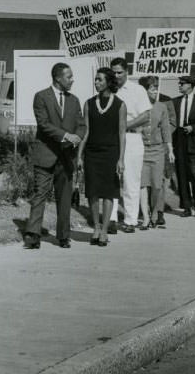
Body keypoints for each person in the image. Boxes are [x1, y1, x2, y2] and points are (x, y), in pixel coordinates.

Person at [24, 62, 86, 249]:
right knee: (40, 194)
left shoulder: (74, 100)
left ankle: (63, 236)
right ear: (58, 78)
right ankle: (33, 235)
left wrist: (77, 137)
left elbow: (81, 125)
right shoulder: (41, 97)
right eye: (69, 77)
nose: (72, 80)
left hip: (67, 156)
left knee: (65, 197)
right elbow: (43, 124)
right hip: (46, 154)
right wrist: (66, 135)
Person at [78, 68, 125, 247]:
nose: (96, 82)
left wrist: (121, 159)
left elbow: (122, 133)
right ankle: (96, 228)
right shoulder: (89, 103)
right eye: (95, 79)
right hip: (92, 153)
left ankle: (104, 230)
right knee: (93, 192)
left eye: (99, 80)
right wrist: (79, 155)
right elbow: (86, 130)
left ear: (108, 82)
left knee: (108, 193)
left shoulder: (120, 105)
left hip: (111, 153)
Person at [107, 58, 151, 233]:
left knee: (130, 180)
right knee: (111, 179)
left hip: (131, 138)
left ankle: (131, 220)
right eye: (113, 72)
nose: (116, 76)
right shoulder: (109, 90)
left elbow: (145, 115)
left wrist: (124, 125)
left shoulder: (137, 90)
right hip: (111, 139)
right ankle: (110, 219)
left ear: (127, 72)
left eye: (119, 72)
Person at [137, 76, 175, 228]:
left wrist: (170, 150)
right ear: (144, 91)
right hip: (142, 149)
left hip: (158, 150)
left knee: (157, 185)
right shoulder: (137, 106)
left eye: (156, 88)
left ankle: (154, 211)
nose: (155, 91)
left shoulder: (162, 107)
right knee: (143, 184)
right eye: (152, 89)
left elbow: (166, 130)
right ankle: (146, 216)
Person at [171, 75, 195, 217]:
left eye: (182, 83)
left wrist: (193, 128)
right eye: (179, 83)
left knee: (194, 174)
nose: (180, 85)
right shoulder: (175, 102)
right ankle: (187, 206)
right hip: (179, 140)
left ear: (191, 85)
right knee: (181, 175)